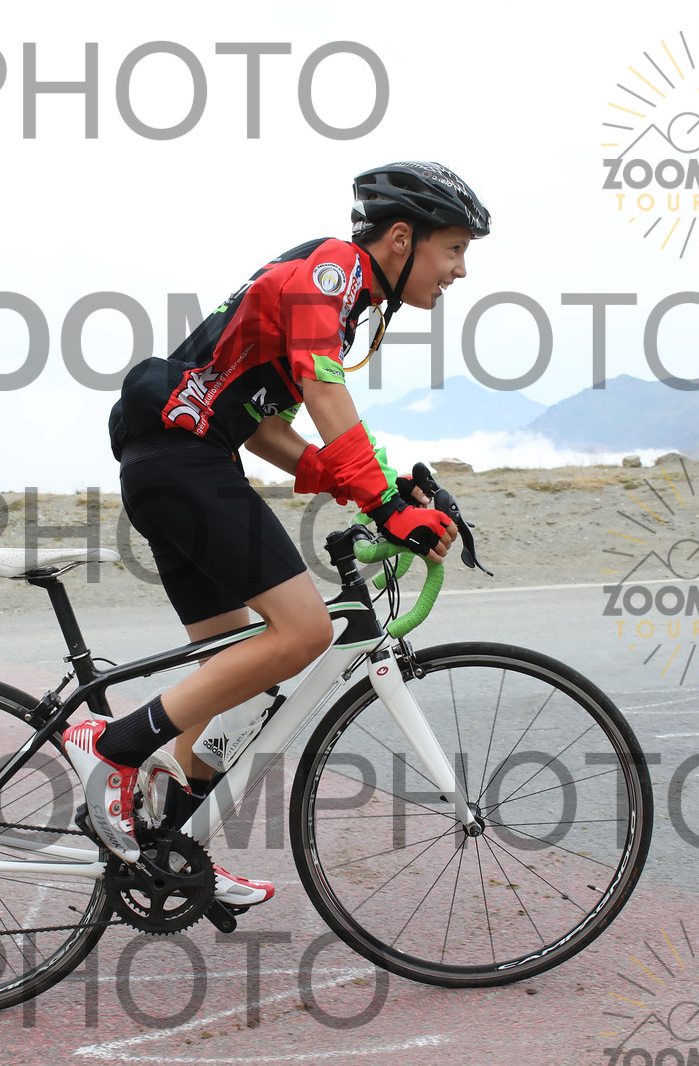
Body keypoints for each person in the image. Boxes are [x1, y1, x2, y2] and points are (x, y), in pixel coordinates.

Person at [66, 162, 492, 906]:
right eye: (454, 249)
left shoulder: (342, 297)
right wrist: (384, 506)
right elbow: (325, 387)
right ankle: (114, 746)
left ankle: (169, 851)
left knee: (234, 684)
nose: (460, 270)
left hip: (172, 465)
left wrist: (377, 490)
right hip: (185, 463)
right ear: (402, 239)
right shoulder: (335, 270)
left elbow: (266, 426)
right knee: (304, 632)